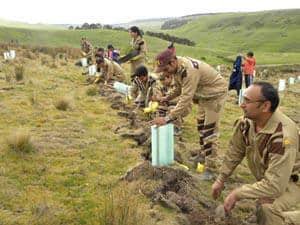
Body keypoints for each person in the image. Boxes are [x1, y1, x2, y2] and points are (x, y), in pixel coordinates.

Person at [212, 82, 300, 225]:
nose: (242, 104)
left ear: (265, 106)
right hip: (274, 176)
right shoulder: (247, 123)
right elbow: (235, 150)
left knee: (267, 208)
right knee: (263, 206)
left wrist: (237, 194)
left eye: (247, 101)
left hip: (292, 180)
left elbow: (275, 186)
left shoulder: (282, 136)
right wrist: (221, 179)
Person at [151, 49, 228, 180]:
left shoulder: (189, 70)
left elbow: (186, 98)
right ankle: (203, 154)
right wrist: (166, 98)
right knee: (201, 126)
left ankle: (211, 169)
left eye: (165, 69)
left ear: (173, 61)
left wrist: (168, 118)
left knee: (209, 131)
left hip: (215, 95)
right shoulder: (177, 69)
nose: (164, 73)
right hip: (204, 96)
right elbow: (178, 88)